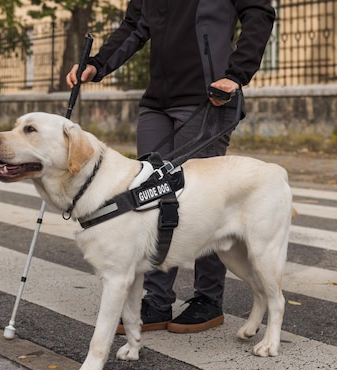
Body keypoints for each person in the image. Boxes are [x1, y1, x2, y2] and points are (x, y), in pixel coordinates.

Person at [66, 0, 275, 334]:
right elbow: (134, 27)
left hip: (208, 98)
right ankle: (158, 300)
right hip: (157, 102)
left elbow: (259, 14)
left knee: (206, 199)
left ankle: (207, 299)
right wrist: (97, 64)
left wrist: (236, 74)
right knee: (150, 199)